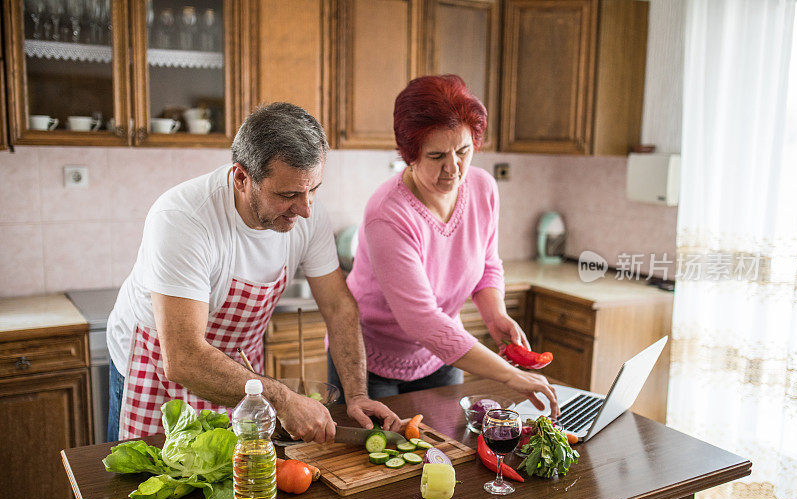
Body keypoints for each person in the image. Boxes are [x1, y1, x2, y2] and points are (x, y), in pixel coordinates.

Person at [107, 102, 400, 443]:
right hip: (160, 368)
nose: (306, 210)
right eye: (288, 194)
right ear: (242, 177)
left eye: (313, 190)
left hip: (239, 371)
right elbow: (184, 358)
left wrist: (358, 395)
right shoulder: (182, 218)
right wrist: (282, 398)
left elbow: (339, 307)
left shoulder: (307, 211)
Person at [330, 75, 559, 416]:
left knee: (444, 456)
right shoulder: (388, 214)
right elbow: (421, 320)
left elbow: (488, 265)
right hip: (370, 364)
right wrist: (510, 376)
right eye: (436, 155)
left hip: (441, 355)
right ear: (410, 155)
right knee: (384, 462)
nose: (453, 168)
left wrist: (495, 314)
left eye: (463, 151)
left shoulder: (483, 188)